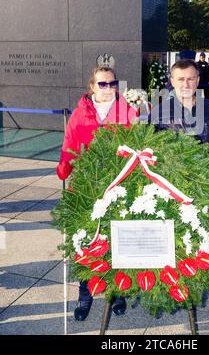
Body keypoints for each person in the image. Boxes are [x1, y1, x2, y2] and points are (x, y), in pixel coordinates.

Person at [149, 59, 209, 314]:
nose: (186, 84)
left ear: (198, 80)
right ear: (171, 82)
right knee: (175, 240)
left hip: (207, 185)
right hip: (172, 186)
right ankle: (173, 291)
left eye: (191, 78)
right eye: (180, 79)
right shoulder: (160, 112)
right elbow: (147, 147)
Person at [57, 66, 138, 321]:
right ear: (92, 86)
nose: (108, 88)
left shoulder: (128, 111)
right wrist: (64, 167)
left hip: (118, 184)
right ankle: (85, 293)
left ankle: (118, 291)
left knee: (116, 240)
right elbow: (70, 143)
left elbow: (138, 144)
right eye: (102, 84)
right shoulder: (80, 113)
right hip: (86, 185)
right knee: (86, 241)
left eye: (112, 83)